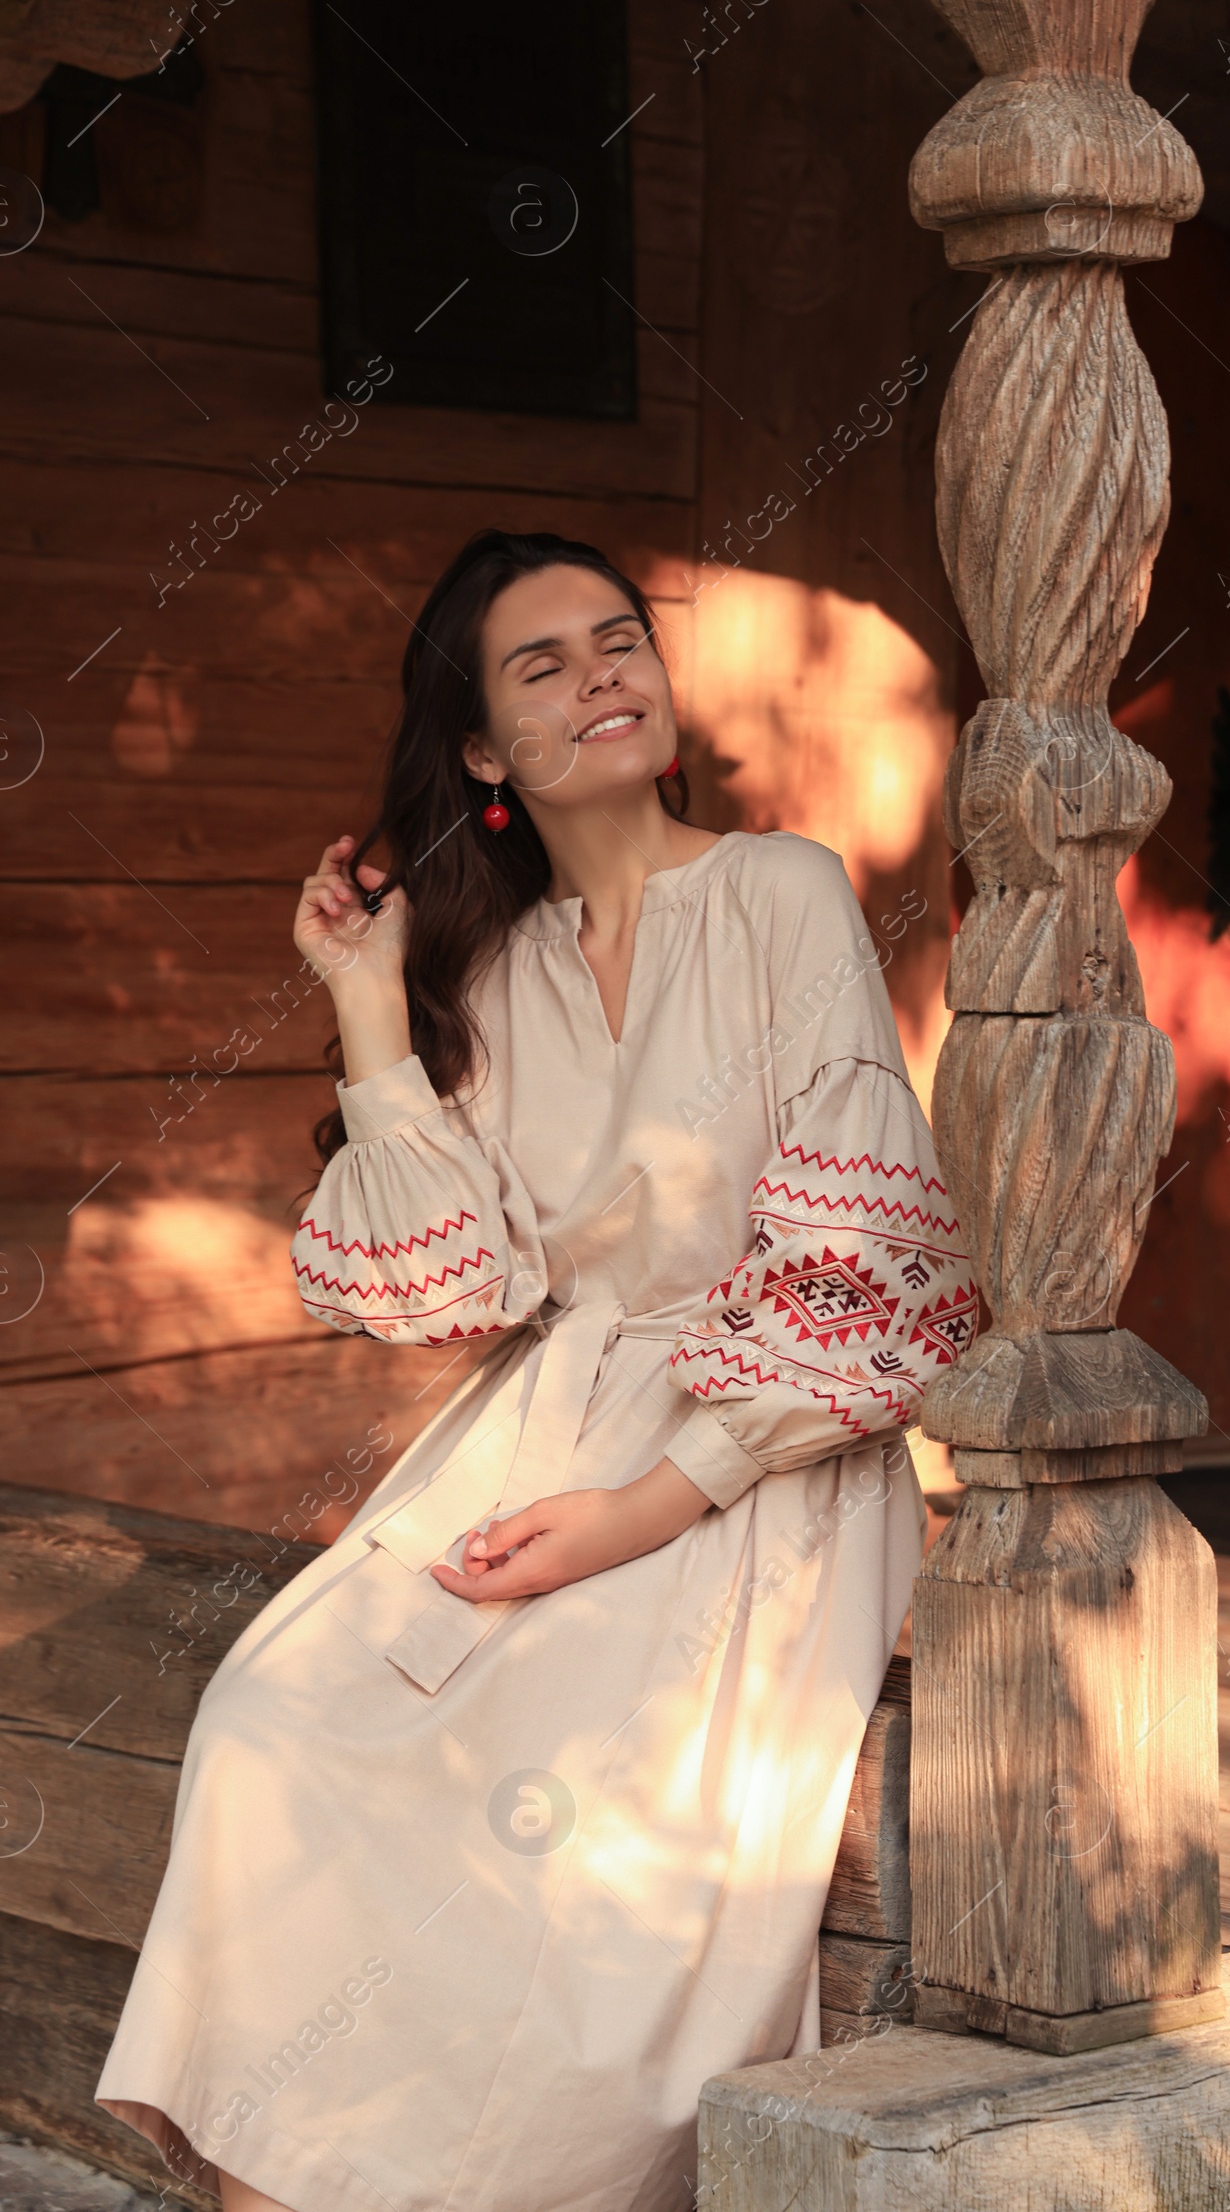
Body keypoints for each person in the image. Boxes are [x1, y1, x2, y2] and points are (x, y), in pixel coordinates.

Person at [96, 529, 978, 2212]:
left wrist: (638, 1513)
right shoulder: (495, 976)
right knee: (274, 1725)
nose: (605, 677)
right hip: (538, 1435)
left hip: (753, 1460)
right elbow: (442, 1282)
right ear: (486, 751)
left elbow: (876, 1275)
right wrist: (368, 1006)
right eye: (545, 665)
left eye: (620, 639)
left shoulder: (784, 892)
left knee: (560, 1857)